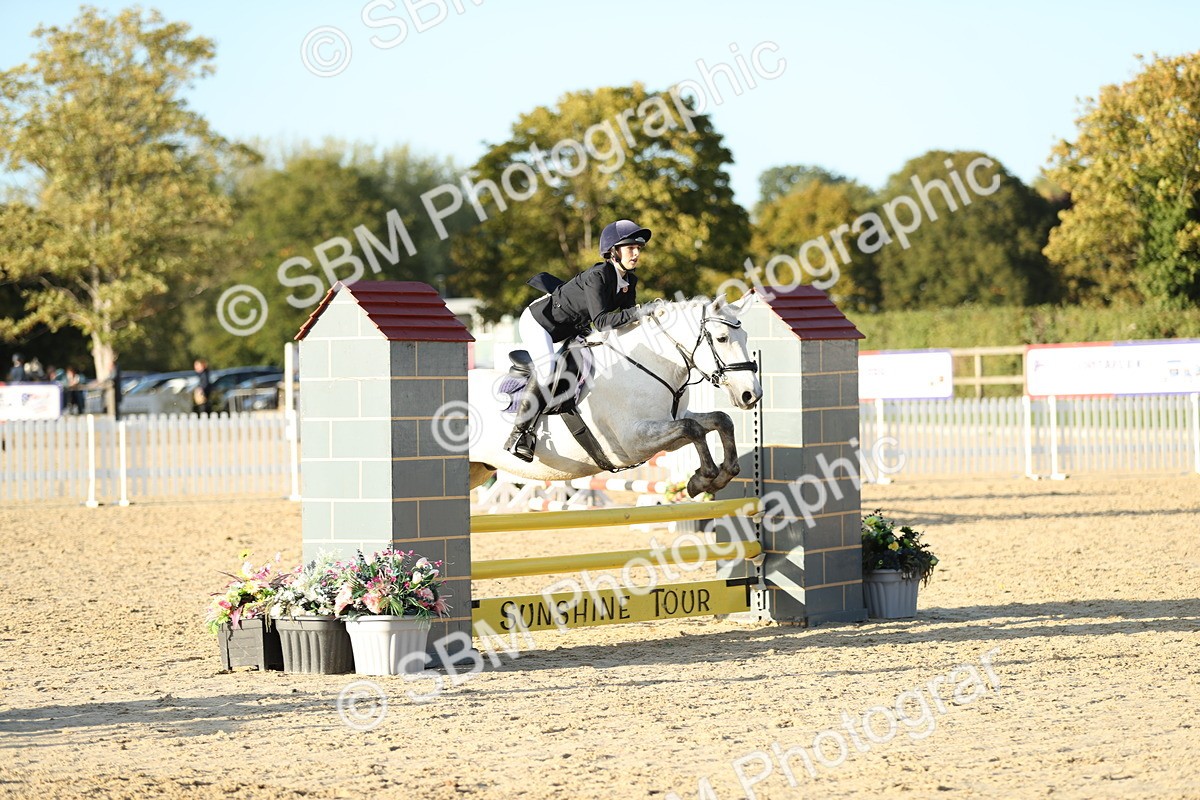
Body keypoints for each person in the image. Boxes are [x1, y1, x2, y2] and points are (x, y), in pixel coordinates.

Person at [503, 218, 655, 462]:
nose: (636, 253)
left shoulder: (629, 282)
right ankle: (519, 434)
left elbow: (623, 324)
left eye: (638, 249)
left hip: (570, 327)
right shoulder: (598, 276)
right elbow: (603, 322)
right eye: (630, 248)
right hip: (540, 322)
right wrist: (641, 311)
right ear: (614, 251)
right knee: (548, 370)